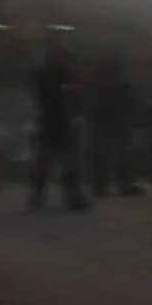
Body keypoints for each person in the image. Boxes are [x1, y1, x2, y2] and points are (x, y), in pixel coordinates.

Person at [28, 39, 89, 211]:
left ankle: (38, 197)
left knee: (45, 162)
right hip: (60, 121)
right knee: (68, 161)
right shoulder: (61, 74)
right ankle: (72, 197)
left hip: (49, 122)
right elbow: (75, 89)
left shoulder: (41, 75)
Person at [87, 53, 143, 197]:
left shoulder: (101, 87)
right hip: (117, 122)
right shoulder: (121, 87)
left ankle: (102, 184)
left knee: (106, 153)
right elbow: (131, 104)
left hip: (107, 122)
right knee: (120, 153)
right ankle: (121, 184)